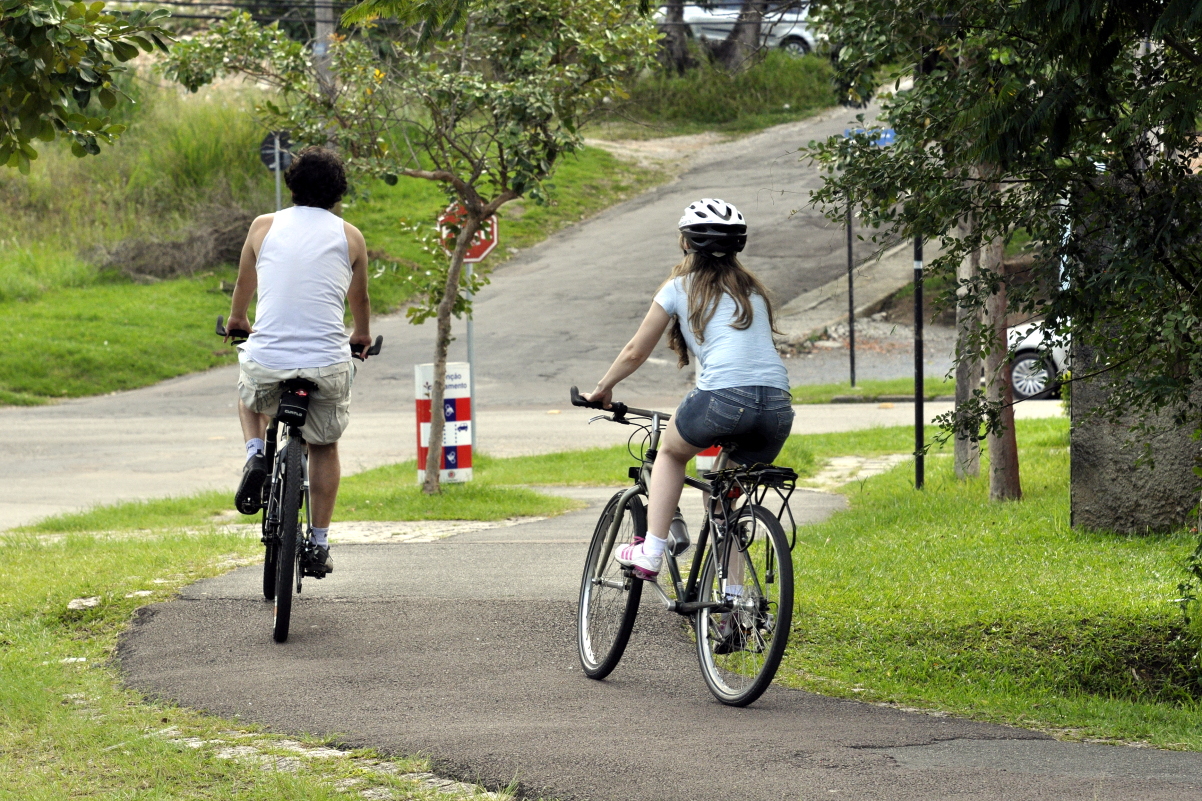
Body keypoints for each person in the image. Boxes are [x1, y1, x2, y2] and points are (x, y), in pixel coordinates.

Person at [583, 198, 794, 580]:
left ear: (685, 243)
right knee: (724, 504)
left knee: (670, 452)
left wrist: (603, 389)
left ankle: (651, 551)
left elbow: (635, 351)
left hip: (724, 399)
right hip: (778, 408)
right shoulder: (754, 291)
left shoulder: (679, 287)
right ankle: (734, 606)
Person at [225, 146, 373, 575]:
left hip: (269, 358)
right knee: (324, 444)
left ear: (291, 185)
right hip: (327, 361)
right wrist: (360, 335)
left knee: (249, 396)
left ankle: (256, 454)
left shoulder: (262, 226)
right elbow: (359, 298)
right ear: (338, 192)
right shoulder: (350, 236)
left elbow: (244, 284)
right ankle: (319, 542)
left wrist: (238, 320)